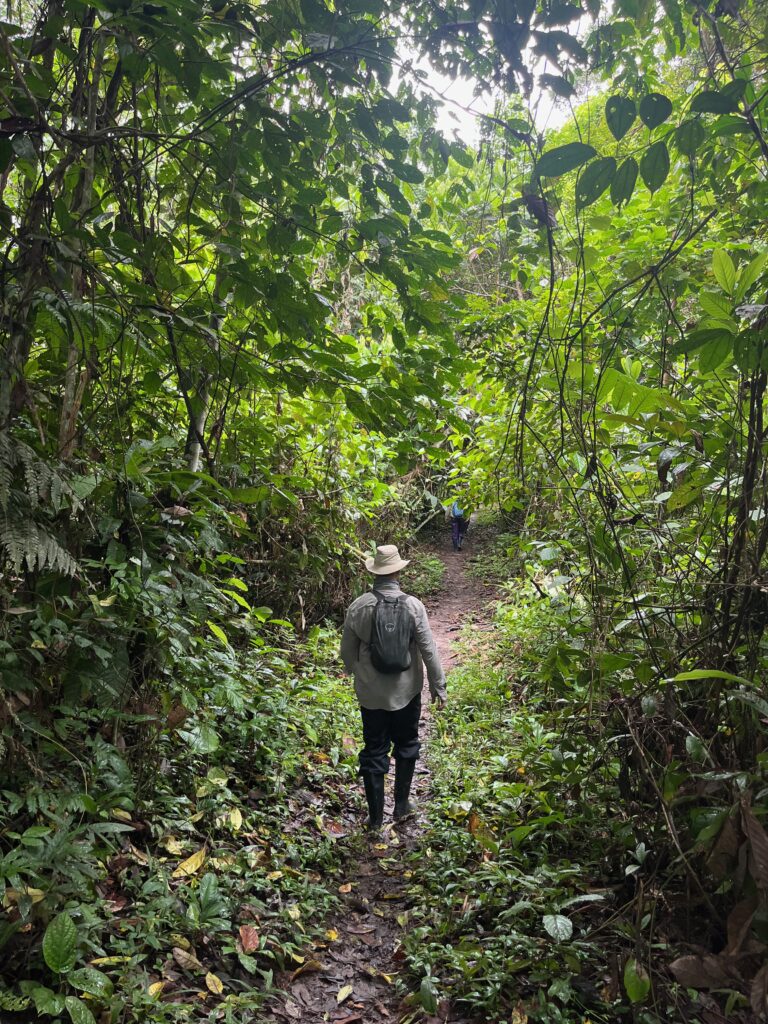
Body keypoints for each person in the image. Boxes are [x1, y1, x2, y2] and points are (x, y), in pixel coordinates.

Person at [340, 544, 447, 831]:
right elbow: (428, 649)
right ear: (398, 571)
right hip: (406, 692)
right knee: (407, 743)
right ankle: (401, 806)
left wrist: (358, 673)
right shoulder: (413, 606)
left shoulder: (359, 606)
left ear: (374, 572)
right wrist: (438, 685)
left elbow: (347, 652)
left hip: (371, 695)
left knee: (374, 748)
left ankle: (375, 818)